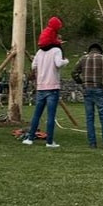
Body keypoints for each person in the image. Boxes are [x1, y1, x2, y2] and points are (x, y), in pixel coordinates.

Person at [22, 17, 69, 148]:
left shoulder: (39, 52)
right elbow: (59, 63)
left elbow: (33, 66)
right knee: (51, 115)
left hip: (41, 86)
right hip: (52, 86)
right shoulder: (56, 51)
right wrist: (66, 61)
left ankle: (30, 138)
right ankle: (49, 141)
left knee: (36, 114)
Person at [71, 42, 103, 149]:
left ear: (90, 50)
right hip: (99, 88)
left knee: (90, 117)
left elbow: (74, 72)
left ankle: (92, 143)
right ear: (99, 50)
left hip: (87, 89)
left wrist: (81, 82)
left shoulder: (83, 59)